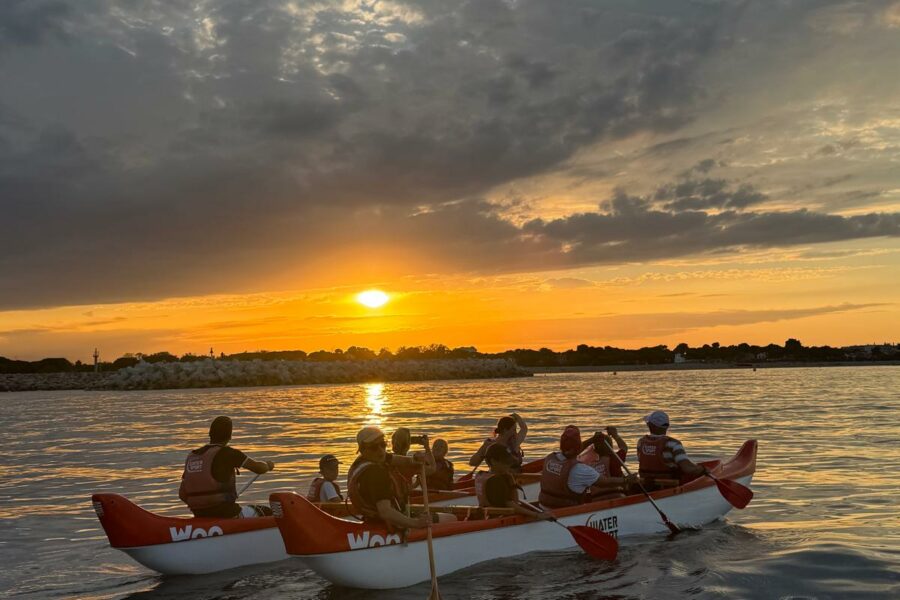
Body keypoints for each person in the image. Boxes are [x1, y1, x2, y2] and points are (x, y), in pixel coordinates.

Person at [347, 426, 453, 530]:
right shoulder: (376, 473)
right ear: (362, 450)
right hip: (392, 524)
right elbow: (385, 512)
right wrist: (416, 523)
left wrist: (416, 459)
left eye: (383, 444)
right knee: (451, 518)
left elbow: (406, 461)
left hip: (372, 520)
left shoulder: (367, 462)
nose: (380, 450)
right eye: (374, 447)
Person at [178, 416, 274, 518]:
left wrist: (202, 504)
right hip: (227, 513)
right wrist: (268, 466)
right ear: (230, 436)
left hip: (199, 514)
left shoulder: (193, 456)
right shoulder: (228, 453)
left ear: (210, 434)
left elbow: (182, 494)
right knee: (266, 512)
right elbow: (259, 468)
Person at [538, 425, 625, 508]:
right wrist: (627, 480)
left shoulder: (551, 458)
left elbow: (572, 449)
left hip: (544, 506)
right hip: (564, 512)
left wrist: (591, 440)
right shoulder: (582, 469)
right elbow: (605, 482)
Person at [475, 443, 551, 520]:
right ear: (493, 461)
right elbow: (512, 506)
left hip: (488, 516)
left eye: (509, 463)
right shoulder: (496, 481)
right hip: (499, 518)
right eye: (506, 463)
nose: (509, 466)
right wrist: (537, 515)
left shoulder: (481, 475)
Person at [637, 410, 708, 486]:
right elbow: (687, 468)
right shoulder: (673, 444)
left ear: (650, 425)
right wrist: (704, 469)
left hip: (646, 485)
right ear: (667, 426)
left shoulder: (641, 443)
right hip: (669, 486)